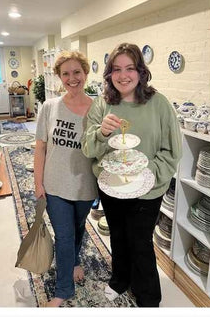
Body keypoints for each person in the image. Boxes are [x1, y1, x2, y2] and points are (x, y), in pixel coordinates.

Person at [82, 43, 182, 307]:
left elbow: (171, 151)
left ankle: (149, 296)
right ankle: (120, 279)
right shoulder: (102, 105)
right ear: (109, 73)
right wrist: (102, 133)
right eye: (116, 69)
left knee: (140, 241)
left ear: (141, 71)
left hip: (148, 189)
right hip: (112, 186)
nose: (123, 75)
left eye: (130, 68)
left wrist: (147, 177)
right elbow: (88, 147)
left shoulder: (158, 104)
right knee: (117, 233)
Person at [34, 50, 98, 307]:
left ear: (85, 74)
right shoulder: (49, 107)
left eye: (77, 72)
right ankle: (63, 290)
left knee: (78, 228)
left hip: (85, 185)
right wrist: (38, 184)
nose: (72, 78)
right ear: (59, 77)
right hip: (56, 185)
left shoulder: (98, 108)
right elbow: (40, 147)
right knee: (64, 235)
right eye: (66, 74)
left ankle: (74, 261)